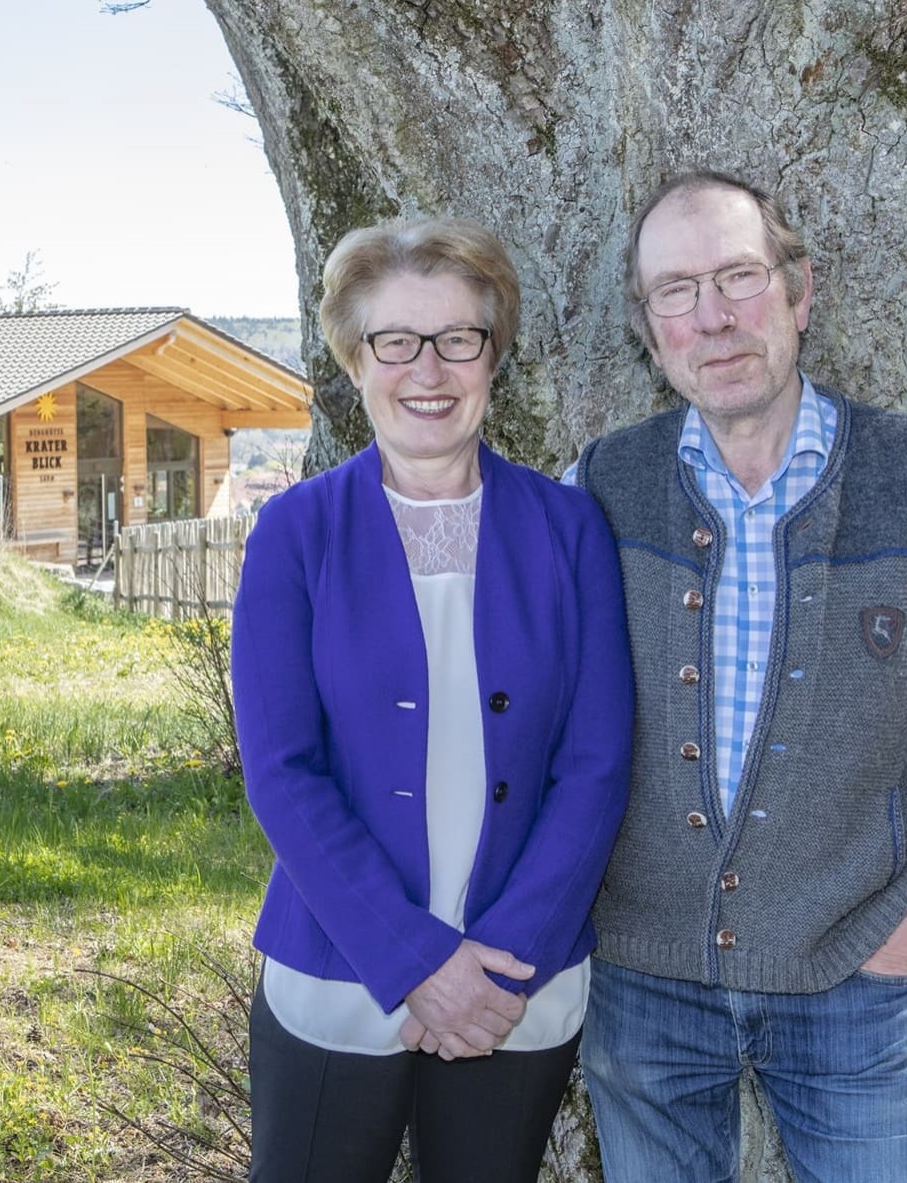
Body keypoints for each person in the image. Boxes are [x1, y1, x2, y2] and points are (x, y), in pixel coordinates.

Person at [568, 170, 907, 1182]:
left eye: (738, 277)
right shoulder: (598, 485)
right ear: (648, 325)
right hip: (643, 982)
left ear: (800, 291)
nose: (712, 317)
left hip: (857, 975)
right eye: (676, 289)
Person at [231, 218, 633, 1183]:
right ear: (354, 361)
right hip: (340, 969)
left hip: (516, 987)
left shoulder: (570, 527)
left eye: (460, 339)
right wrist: (415, 961)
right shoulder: (294, 532)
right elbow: (283, 772)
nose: (429, 369)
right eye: (395, 341)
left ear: (494, 358)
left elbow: (597, 763)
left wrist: (499, 963)